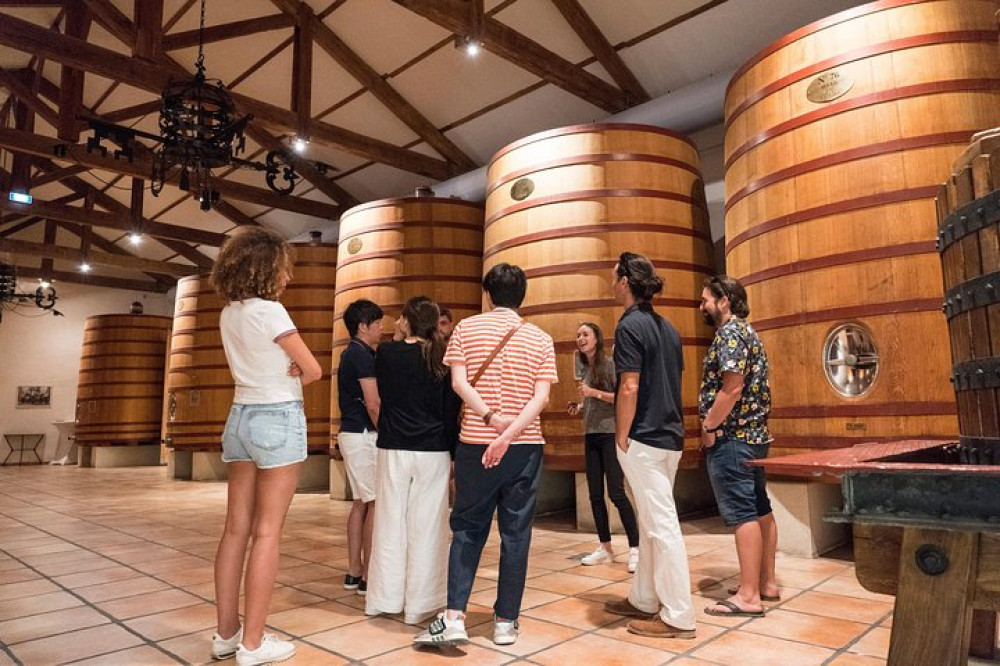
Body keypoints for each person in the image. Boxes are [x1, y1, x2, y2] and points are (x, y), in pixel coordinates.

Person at [414, 263, 557, 648]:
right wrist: (510, 433)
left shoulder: (465, 329)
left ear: (488, 295)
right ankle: (506, 621)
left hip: (477, 442)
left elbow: (459, 383)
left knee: (467, 529)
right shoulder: (541, 338)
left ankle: (455, 616)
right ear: (522, 296)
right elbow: (541, 398)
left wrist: (493, 422)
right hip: (525, 447)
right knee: (516, 534)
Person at [209, 227, 322, 666]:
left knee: (235, 529)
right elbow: (312, 369)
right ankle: (253, 645)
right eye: (283, 267)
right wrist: (295, 367)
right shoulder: (271, 311)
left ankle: (225, 635)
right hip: (277, 418)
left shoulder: (228, 314)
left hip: (239, 418)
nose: (287, 276)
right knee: (268, 532)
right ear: (266, 267)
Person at [603, 251, 696, 640]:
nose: (610, 279)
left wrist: (622, 435)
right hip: (670, 437)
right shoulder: (669, 328)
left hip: (643, 438)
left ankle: (678, 616)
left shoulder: (629, 327)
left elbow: (629, 385)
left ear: (625, 281)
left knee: (661, 526)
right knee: (650, 520)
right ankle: (644, 598)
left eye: (614, 274)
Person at [366, 296, 460, 625]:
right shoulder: (443, 356)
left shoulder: (388, 353)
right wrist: (452, 455)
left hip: (393, 446)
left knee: (390, 522)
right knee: (429, 527)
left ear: (406, 319)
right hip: (434, 449)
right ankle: (421, 604)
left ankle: (385, 599)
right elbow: (452, 413)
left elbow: (383, 398)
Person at [699, 275, 777, 619]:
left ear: (724, 300)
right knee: (760, 506)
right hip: (756, 437)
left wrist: (709, 425)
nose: (702, 306)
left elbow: (731, 388)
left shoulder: (730, 333)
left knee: (742, 511)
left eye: (706, 300)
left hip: (734, 437)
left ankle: (748, 596)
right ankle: (766, 583)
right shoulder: (749, 332)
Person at [568, 322, 640, 571]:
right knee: (595, 495)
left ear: (597, 338)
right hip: (591, 434)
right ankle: (605, 547)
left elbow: (621, 397)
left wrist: (593, 393)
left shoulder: (609, 365)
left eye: (585, 334)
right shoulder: (585, 368)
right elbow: (590, 398)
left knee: (617, 493)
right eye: (578, 335)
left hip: (609, 433)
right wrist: (579, 406)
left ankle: (635, 548)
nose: (580, 338)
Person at [337, 299, 384, 596]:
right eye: (378, 323)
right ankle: (368, 574)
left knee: (360, 503)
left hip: (351, 434)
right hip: (365, 434)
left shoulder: (351, 353)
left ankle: (354, 570)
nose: (382, 328)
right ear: (363, 326)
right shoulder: (362, 355)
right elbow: (373, 402)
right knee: (375, 502)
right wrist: (388, 431)